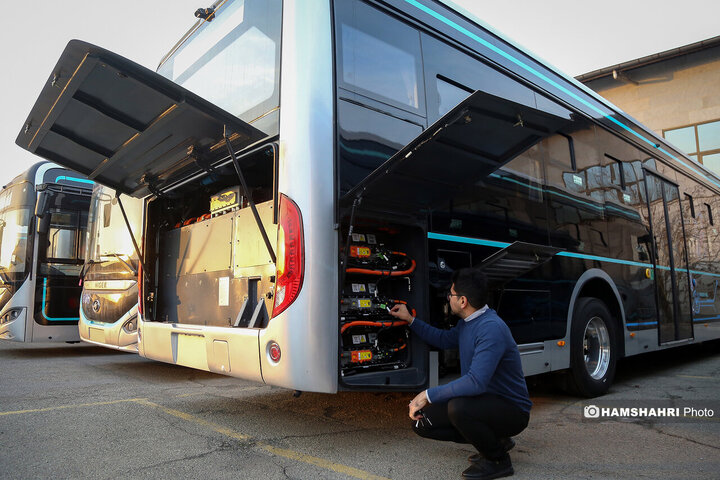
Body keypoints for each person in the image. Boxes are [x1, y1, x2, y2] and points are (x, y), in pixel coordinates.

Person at [389, 268, 531, 480]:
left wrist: (427, 395)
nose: (448, 297)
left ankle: (497, 460)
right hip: (484, 403)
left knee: (459, 408)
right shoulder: (469, 322)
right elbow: (444, 339)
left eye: (451, 294)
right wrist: (411, 320)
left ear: (463, 301)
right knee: (422, 423)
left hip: (512, 410)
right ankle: (496, 441)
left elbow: (476, 382)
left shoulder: (491, 328)